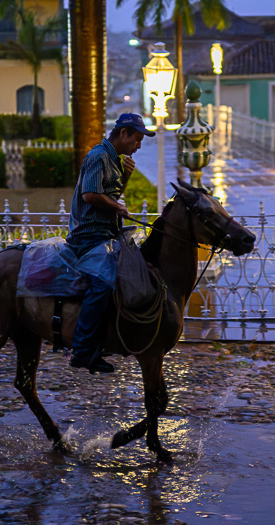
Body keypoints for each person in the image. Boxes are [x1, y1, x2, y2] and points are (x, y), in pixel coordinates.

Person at [67, 113, 154, 374]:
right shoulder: (97, 157)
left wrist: (125, 178)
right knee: (103, 282)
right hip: (89, 235)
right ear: (124, 133)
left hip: (105, 233)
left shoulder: (114, 160)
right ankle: (82, 350)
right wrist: (116, 205)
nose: (137, 146)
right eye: (136, 140)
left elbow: (112, 195)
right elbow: (90, 195)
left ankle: (105, 340)